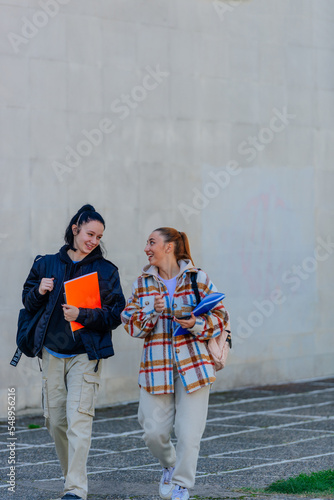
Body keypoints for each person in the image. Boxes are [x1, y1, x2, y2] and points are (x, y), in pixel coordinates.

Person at [22, 204, 125, 500]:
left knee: (79, 419)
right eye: (89, 233)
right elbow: (28, 304)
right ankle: (73, 477)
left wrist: (83, 313)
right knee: (55, 421)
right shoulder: (46, 263)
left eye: (99, 236)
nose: (93, 240)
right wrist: (38, 290)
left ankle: (75, 489)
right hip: (52, 353)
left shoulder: (106, 271)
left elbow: (116, 315)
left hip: (85, 354)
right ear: (76, 228)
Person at [121, 227, 229, 500]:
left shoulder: (198, 278)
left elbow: (221, 317)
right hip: (156, 369)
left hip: (194, 366)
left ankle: (181, 484)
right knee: (152, 431)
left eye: (152, 242)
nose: (147, 248)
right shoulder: (142, 283)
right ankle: (170, 464)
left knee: (189, 432)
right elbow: (131, 325)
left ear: (169, 247)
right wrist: (151, 311)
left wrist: (196, 323)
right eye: (147, 242)